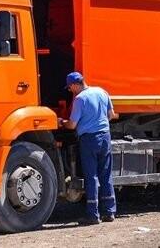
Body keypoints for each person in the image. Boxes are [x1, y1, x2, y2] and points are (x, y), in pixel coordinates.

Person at [58, 71, 118, 225]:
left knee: (91, 176)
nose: (70, 91)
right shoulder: (102, 92)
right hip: (105, 137)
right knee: (106, 174)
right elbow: (111, 115)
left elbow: (72, 125)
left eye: (70, 88)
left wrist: (61, 122)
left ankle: (93, 215)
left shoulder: (80, 99)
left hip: (89, 140)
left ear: (73, 85)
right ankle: (110, 212)